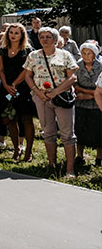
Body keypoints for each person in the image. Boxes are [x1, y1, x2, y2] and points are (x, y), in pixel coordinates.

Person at [23, 27, 79, 177]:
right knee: (48, 132)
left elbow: (72, 77)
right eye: (42, 37)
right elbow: (27, 75)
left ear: (55, 40)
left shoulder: (65, 55)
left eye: (48, 37)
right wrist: (37, 91)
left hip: (62, 97)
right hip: (41, 98)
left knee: (67, 134)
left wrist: (55, 92)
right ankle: (52, 165)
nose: (45, 39)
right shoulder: (33, 55)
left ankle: (69, 169)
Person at [0, 23, 35, 161]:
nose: (13, 35)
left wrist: (14, 84)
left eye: (16, 33)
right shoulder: (2, 50)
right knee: (10, 118)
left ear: (22, 35)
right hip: (7, 88)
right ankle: (16, 149)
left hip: (23, 88)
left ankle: (29, 151)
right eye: (11, 32)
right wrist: (6, 85)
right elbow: (1, 69)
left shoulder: (28, 50)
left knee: (26, 118)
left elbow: (27, 69)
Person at [74, 42, 102, 167]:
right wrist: (90, 93)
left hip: (98, 104)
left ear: (94, 55)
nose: (86, 56)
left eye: (89, 53)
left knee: (98, 131)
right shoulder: (77, 66)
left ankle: (99, 158)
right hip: (80, 103)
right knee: (79, 129)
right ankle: (79, 156)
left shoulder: (101, 66)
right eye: (84, 53)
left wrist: (88, 94)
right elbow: (74, 85)